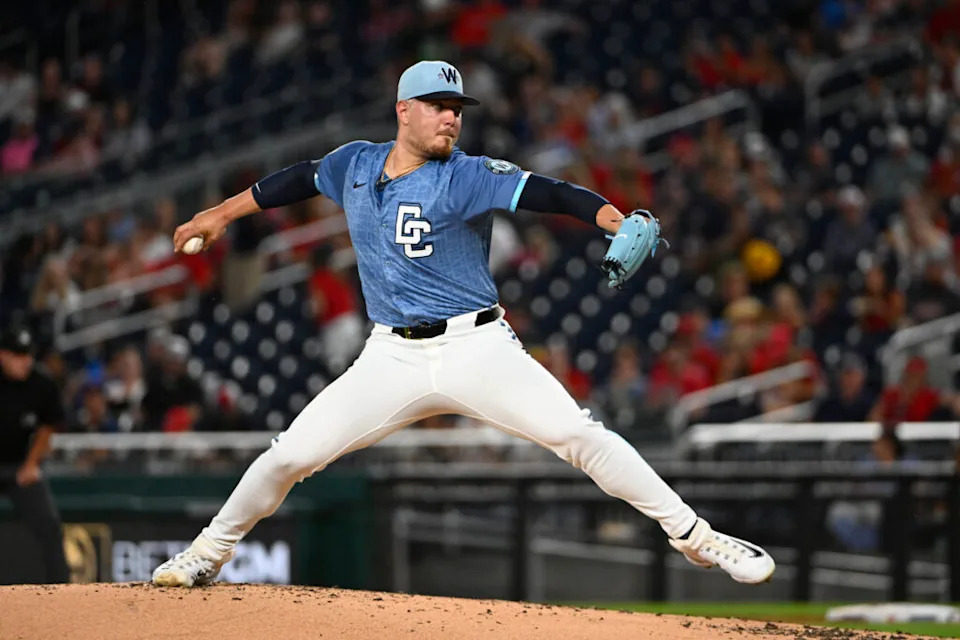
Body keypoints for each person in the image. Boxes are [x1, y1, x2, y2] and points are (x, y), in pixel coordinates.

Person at [152, 60, 775, 587]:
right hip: (389, 358)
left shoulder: (467, 175)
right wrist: (222, 213)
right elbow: (294, 181)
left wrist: (612, 219)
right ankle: (208, 554)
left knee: (579, 436)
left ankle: (697, 537)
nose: (452, 117)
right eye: (438, 105)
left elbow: (551, 193)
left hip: (477, 347)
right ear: (404, 110)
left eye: (457, 107)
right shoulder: (355, 165)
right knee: (288, 456)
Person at [0, 324, 69, 583]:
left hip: (20, 466)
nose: (26, 361)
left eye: (28, 354)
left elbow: (48, 426)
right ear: (3, 355)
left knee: (49, 524)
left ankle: (62, 589)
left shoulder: (41, 384)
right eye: (19, 355)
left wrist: (31, 464)